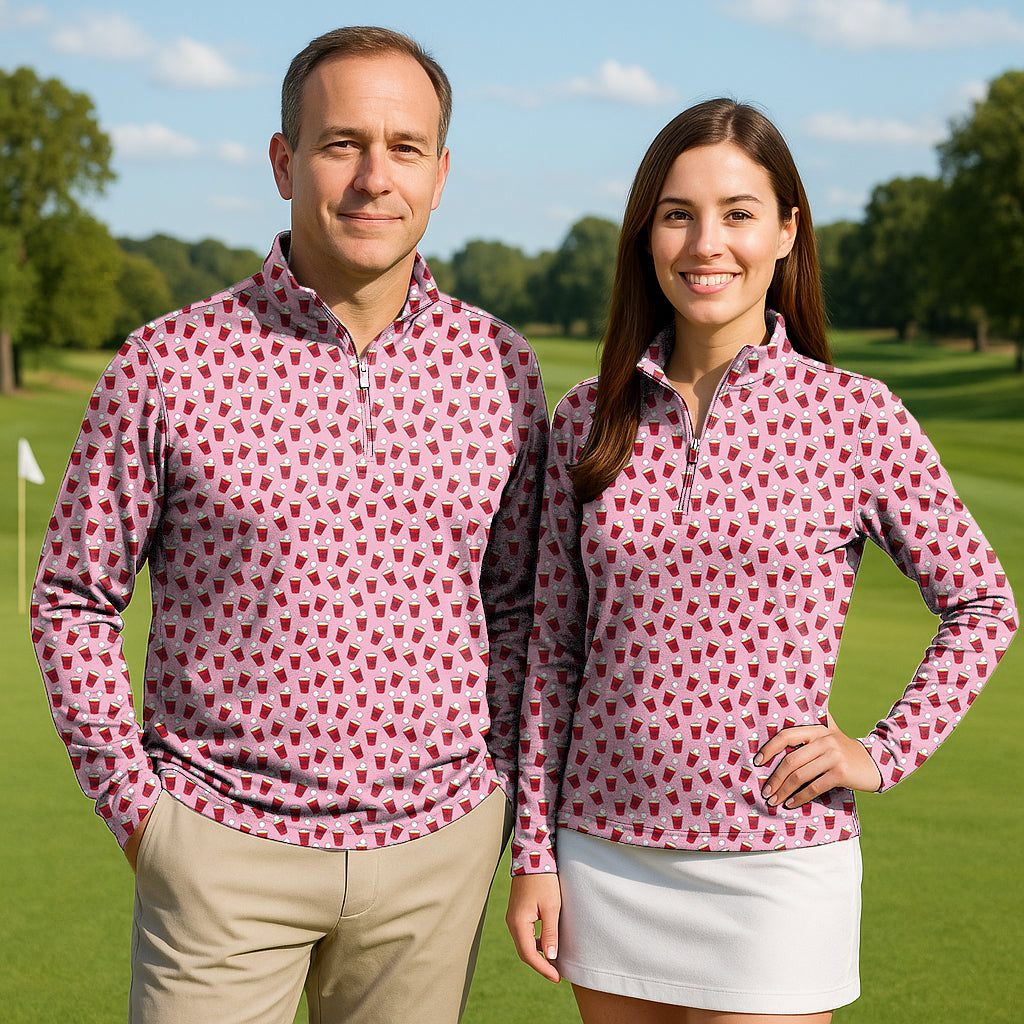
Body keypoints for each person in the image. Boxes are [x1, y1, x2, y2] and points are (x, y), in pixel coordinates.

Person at [31, 25, 548, 1024]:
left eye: (403, 149)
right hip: (219, 848)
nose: (371, 178)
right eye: (339, 143)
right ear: (284, 161)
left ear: (440, 176)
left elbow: (518, 605)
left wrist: (492, 799)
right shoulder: (166, 363)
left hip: (432, 855)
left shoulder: (502, 366)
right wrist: (145, 820)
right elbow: (74, 597)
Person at [505, 98, 1016, 1023]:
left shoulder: (855, 416)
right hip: (605, 852)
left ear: (787, 232)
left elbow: (983, 603)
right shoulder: (586, 417)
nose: (707, 243)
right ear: (646, 236)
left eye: (739, 213)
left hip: (777, 858)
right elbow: (552, 652)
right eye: (678, 213)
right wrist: (535, 853)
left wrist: (882, 752)